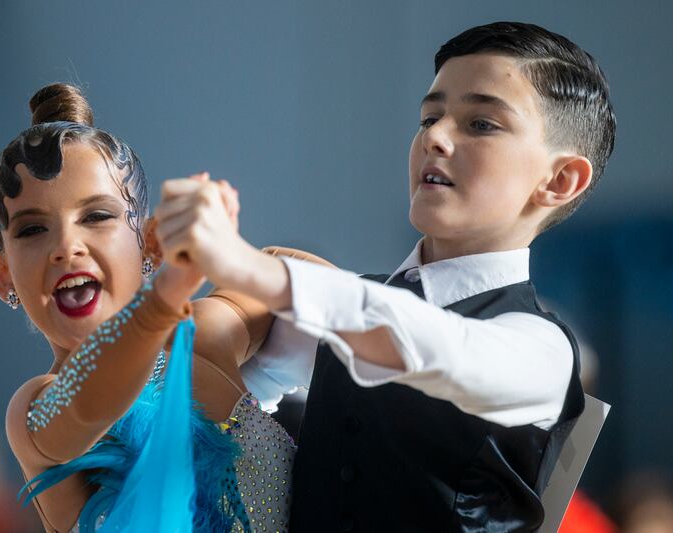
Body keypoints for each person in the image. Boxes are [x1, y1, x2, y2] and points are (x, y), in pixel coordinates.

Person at [154, 21, 616, 531]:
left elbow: (435, 345)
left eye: (482, 123)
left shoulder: (541, 350)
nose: (435, 137)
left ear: (559, 180)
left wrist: (247, 266)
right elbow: (211, 413)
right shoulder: (333, 307)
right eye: (430, 116)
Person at [0, 84, 299, 532]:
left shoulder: (206, 339)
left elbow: (307, 277)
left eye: (96, 217)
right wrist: (163, 298)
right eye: (33, 229)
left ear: (150, 242)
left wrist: (231, 256)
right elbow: (90, 406)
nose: (67, 247)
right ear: (1, 275)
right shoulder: (36, 411)